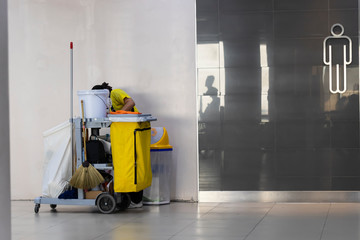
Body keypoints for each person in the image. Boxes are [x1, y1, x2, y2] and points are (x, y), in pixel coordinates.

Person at [92, 82, 143, 208]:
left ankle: (136, 199)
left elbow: (131, 103)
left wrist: (117, 116)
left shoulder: (115, 93)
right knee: (126, 166)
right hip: (125, 134)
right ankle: (130, 197)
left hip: (133, 131)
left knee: (132, 165)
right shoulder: (108, 106)